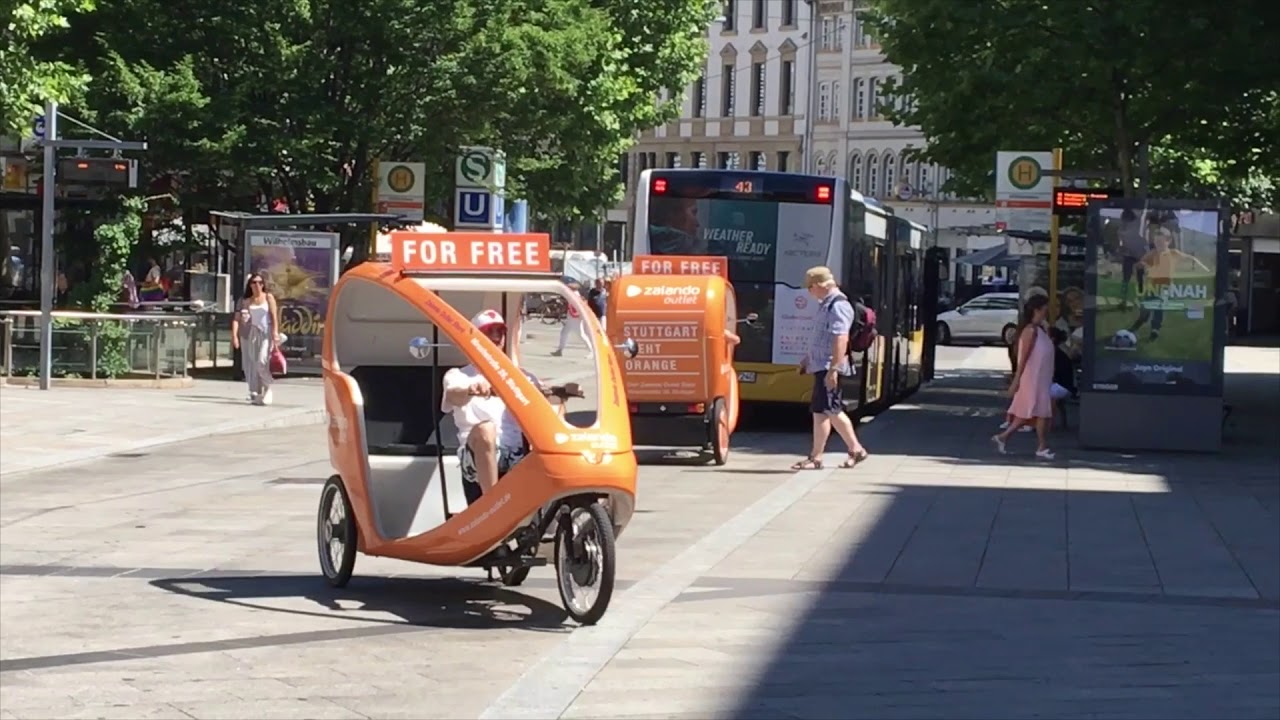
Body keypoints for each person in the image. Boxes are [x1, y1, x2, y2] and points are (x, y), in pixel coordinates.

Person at [442, 310, 553, 494]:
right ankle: (491, 504)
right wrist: (471, 390)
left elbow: (544, 396)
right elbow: (452, 396)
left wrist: (563, 391)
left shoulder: (521, 376)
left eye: (500, 331)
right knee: (487, 429)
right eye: (489, 331)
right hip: (476, 457)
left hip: (516, 453)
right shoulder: (459, 375)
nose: (496, 336)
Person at [791, 266, 870, 470]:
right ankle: (817, 457)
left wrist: (834, 368)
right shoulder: (826, 304)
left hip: (828, 366)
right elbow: (822, 337)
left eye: (809, 288)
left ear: (817, 285)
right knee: (822, 411)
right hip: (820, 364)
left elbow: (840, 337)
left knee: (831, 409)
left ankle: (856, 449)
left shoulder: (838, 305)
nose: (808, 292)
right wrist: (808, 358)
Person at [992, 294, 1054, 460]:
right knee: (1039, 412)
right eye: (1044, 309)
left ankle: (1003, 437)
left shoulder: (1040, 330)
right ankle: (1041, 446)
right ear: (1037, 310)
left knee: (1028, 413)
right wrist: (1016, 380)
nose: (1046, 312)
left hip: (1040, 378)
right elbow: (1023, 358)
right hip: (1032, 378)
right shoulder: (1030, 331)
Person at [1126, 219, 1210, 342]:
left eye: (1161, 242)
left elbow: (1190, 258)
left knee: (1159, 306)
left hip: (1165, 286)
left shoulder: (1174, 253)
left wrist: (1205, 268)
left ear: (1168, 241)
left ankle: (1155, 329)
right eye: (1156, 242)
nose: (1158, 244)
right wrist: (1140, 267)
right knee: (1147, 308)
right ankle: (1140, 322)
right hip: (1152, 286)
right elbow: (1139, 265)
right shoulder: (1152, 254)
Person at [230, 273, 281, 405]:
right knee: (253, 362)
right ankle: (259, 390)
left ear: (263, 284)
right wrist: (238, 330)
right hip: (253, 332)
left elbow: (274, 316)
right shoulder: (247, 301)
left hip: (266, 331)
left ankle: (268, 385)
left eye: (260, 282)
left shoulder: (268, 297)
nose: (257, 285)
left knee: (262, 360)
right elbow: (241, 318)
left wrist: (275, 332)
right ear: (250, 285)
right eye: (254, 282)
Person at [551, 280, 593, 358]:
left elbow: (577, 306)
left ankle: (591, 351)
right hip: (571, 316)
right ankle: (560, 350)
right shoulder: (573, 294)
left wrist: (577, 315)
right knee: (564, 332)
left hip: (575, 317)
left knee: (581, 335)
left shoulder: (575, 294)